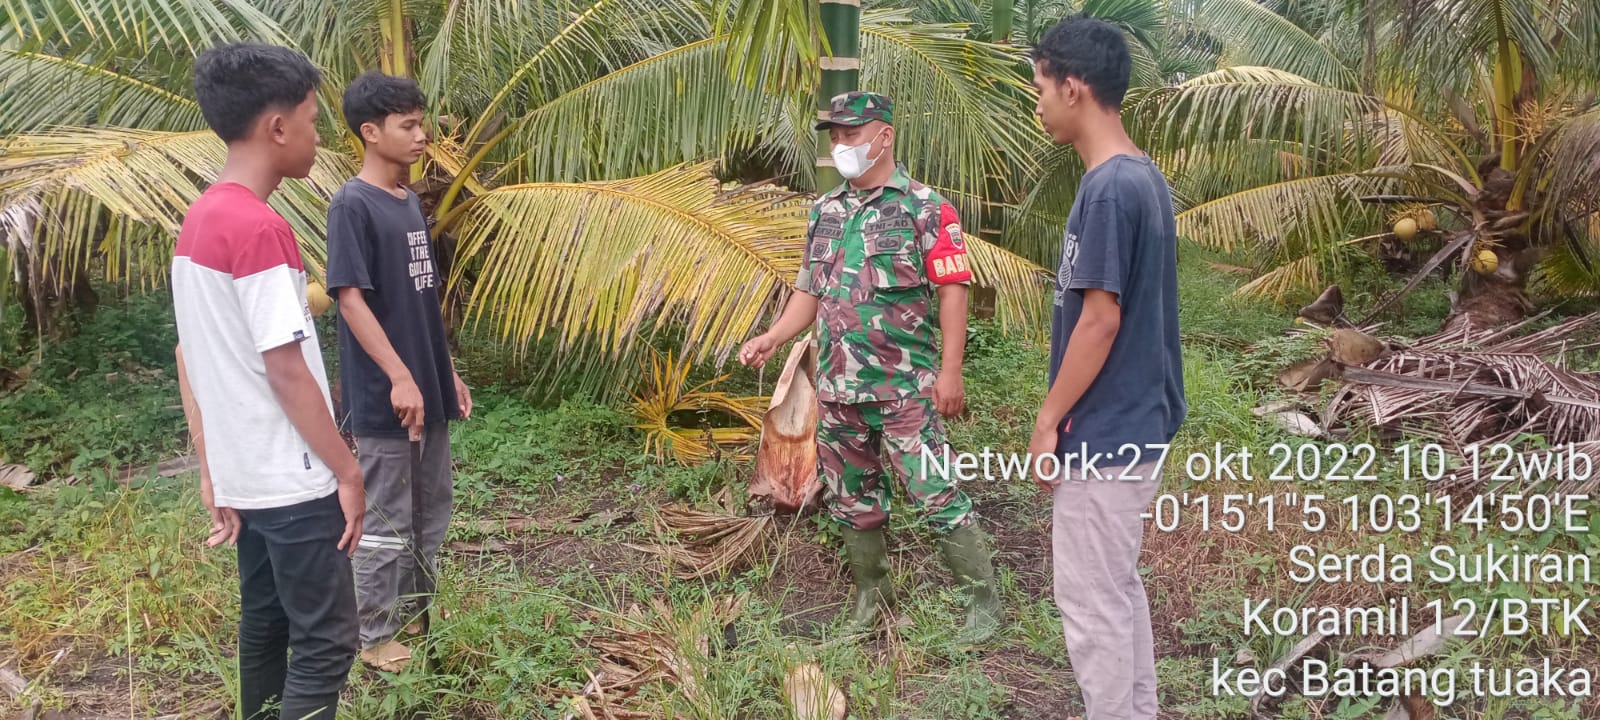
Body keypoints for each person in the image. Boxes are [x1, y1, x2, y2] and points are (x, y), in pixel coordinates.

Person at [739, 91, 1001, 644]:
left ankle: (982, 604)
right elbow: (809, 291)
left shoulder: (926, 207)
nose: (841, 146)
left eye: (851, 135)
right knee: (852, 497)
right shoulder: (825, 211)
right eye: (834, 136)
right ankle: (871, 596)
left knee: (934, 490)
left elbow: (954, 290)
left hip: (905, 387)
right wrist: (773, 335)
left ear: (884, 136)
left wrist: (949, 372)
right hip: (838, 387)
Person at [172, 43, 362, 720]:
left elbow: (187, 353)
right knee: (327, 641)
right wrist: (346, 472)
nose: (318, 136)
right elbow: (285, 369)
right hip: (293, 478)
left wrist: (211, 468)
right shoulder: (259, 228)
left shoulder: (198, 222)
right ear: (277, 127)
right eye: (313, 120)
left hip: (248, 477)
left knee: (269, 624)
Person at [1026, 16, 1186, 720]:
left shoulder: (1110, 190)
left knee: (1091, 604)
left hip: (1106, 426)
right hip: (1134, 418)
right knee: (1115, 592)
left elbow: (1100, 319)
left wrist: (1047, 418)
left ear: (1074, 86)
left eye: (1040, 87)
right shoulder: (1139, 177)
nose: (1038, 104)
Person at [323, 71, 472, 673]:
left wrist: (445, 371)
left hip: (427, 387)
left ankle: (414, 614)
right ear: (370, 131)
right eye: (408, 125)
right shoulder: (351, 204)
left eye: (420, 121)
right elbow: (350, 298)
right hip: (388, 398)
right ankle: (375, 633)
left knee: (431, 510)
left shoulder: (408, 201)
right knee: (387, 515)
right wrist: (400, 377)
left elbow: (421, 302)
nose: (422, 135)